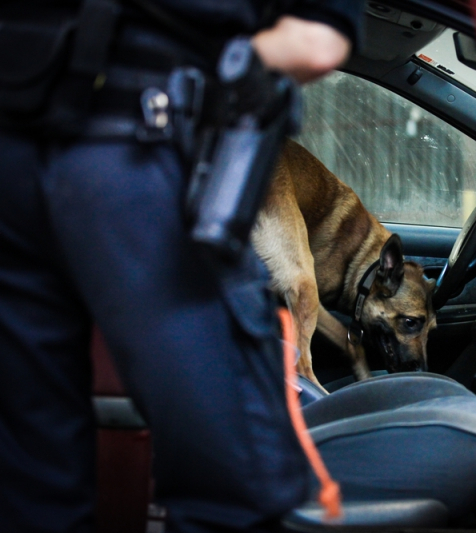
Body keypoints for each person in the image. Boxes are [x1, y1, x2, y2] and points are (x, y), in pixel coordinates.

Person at [0, 1, 363, 531]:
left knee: (30, 478)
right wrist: (223, 79)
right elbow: (314, 43)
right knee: (231, 483)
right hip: (141, 149)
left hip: (10, 148)